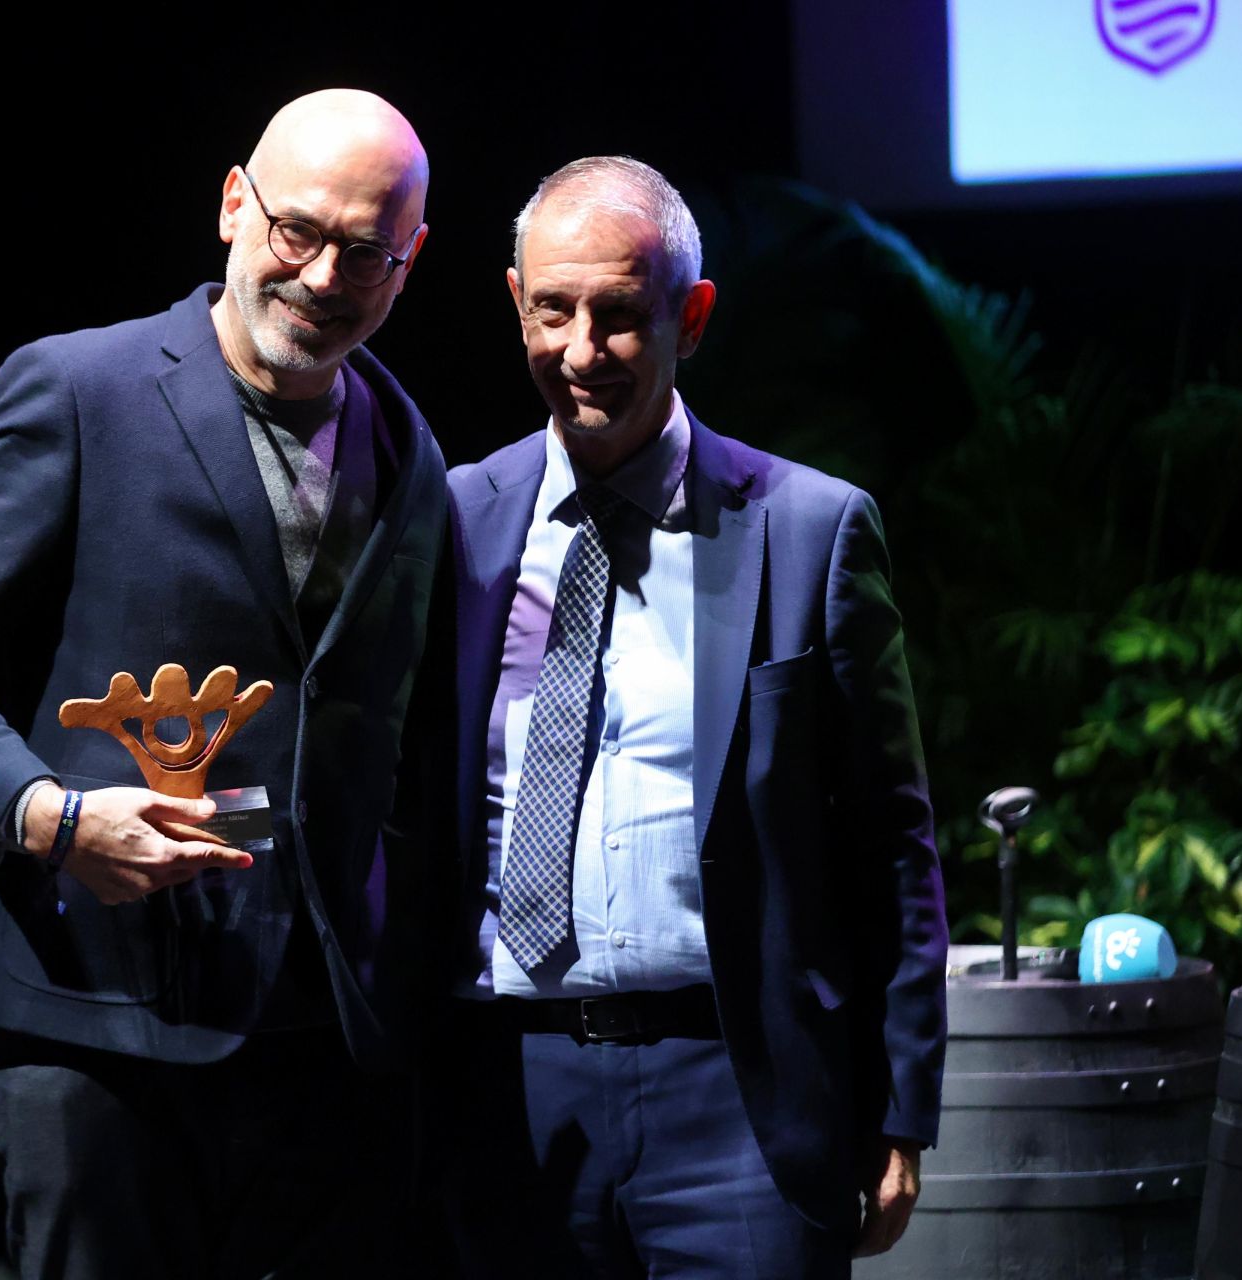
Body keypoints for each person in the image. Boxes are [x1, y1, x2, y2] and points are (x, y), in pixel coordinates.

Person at [0, 90, 446, 1280]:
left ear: (408, 262)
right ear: (234, 204)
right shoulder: (82, 388)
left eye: (365, 252)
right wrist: (51, 816)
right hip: (96, 1020)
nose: (325, 275)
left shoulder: (408, 446)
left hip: (317, 1044)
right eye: (297, 231)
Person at [439, 156, 947, 1278]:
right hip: (511, 1094)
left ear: (694, 316)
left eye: (620, 315)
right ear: (515, 302)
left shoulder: (810, 529)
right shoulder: (454, 523)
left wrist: (904, 1103)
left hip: (740, 1097)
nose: (581, 352)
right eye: (553, 311)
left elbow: (891, 839)